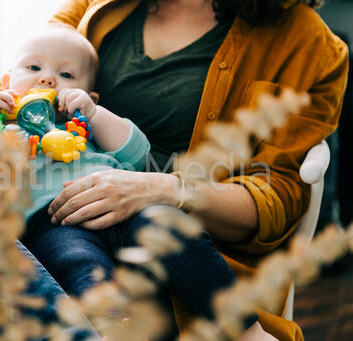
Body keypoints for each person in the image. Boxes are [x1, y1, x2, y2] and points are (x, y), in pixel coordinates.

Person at [40, 0, 348, 339]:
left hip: (191, 269)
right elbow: (21, 83)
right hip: (69, 231)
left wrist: (165, 190)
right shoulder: (93, 6)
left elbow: (278, 200)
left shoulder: (307, 41)